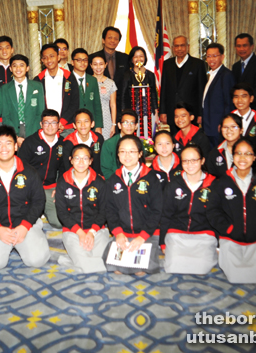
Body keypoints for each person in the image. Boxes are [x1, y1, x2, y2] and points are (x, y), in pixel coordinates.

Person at [0, 125, 50, 272]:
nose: (4, 148)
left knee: (37, 260)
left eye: (8, 143)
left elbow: (39, 201)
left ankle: (33, 231)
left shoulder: (29, 172)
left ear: (15, 147)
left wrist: (25, 226)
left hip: (24, 222)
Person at [206, 138, 256, 284]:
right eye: (238, 153)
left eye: (248, 154)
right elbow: (212, 210)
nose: (243, 158)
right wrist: (228, 228)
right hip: (230, 237)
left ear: (254, 156)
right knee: (234, 278)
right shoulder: (222, 182)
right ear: (233, 156)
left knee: (255, 278)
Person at [103, 135, 163, 275]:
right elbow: (110, 209)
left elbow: (156, 210)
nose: (127, 155)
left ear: (140, 153)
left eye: (132, 151)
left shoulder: (151, 178)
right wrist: (117, 233)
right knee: (115, 268)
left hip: (146, 233)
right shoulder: (114, 179)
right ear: (118, 154)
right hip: (123, 233)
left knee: (141, 270)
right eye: (122, 151)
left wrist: (142, 236)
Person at [161, 144, 217, 274]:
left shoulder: (214, 184)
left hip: (204, 233)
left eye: (194, 160)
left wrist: (218, 241)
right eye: (185, 161)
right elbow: (166, 215)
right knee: (173, 267)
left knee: (201, 268)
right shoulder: (173, 184)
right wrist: (163, 242)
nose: (189, 164)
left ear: (202, 161)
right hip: (176, 233)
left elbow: (218, 215)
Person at [55, 144, 109, 272]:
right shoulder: (62, 182)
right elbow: (62, 213)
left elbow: (104, 210)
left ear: (91, 161)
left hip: (97, 230)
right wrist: (79, 232)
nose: (81, 162)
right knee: (95, 265)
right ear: (71, 160)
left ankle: (72, 260)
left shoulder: (99, 182)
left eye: (85, 158)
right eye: (77, 158)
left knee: (102, 259)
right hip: (72, 231)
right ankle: (80, 260)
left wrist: (91, 232)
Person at [17, 109, 66, 229]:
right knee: (24, 220)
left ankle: (44, 209)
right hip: (31, 187)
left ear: (59, 125)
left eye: (53, 122)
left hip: (50, 187)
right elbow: (19, 167)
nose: (50, 126)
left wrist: (60, 186)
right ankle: (37, 209)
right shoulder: (30, 142)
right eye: (46, 122)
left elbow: (65, 169)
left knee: (58, 223)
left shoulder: (63, 143)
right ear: (41, 124)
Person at [158, 36, 207, 133]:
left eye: (182, 46)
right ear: (173, 48)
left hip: (191, 114)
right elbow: (164, 89)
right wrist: (163, 111)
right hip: (172, 113)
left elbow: (202, 91)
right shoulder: (167, 64)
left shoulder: (198, 64)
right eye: (176, 46)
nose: (179, 49)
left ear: (188, 47)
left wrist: (201, 113)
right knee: (175, 142)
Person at [35, 44, 79, 137]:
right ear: (42, 60)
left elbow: (75, 103)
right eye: (45, 58)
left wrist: (61, 122)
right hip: (46, 128)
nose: (49, 60)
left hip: (66, 128)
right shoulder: (37, 80)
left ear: (58, 57)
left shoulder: (69, 77)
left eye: (52, 56)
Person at [1, 54, 45, 146]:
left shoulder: (37, 86)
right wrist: (15, 136)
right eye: (14, 65)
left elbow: (40, 112)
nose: (18, 69)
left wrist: (34, 134)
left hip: (33, 129)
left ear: (27, 68)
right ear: (10, 69)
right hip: (13, 130)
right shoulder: (5, 88)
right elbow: (6, 115)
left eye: (21, 65)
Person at [87, 26, 129, 116]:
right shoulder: (92, 58)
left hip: (119, 104)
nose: (112, 41)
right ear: (103, 40)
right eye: (110, 37)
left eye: (116, 39)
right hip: (99, 103)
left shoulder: (125, 58)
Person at [201, 43, 235, 148]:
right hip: (208, 126)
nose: (211, 59)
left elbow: (228, 103)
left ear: (222, 57)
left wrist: (224, 124)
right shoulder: (211, 74)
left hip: (218, 127)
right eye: (208, 56)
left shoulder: (226, 75)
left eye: (215, 56)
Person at [121, 46, 158, 138]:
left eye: (141, 56)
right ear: (132, 59)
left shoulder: (150, 75)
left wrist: (156, 111)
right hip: (132, 110)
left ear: (145, 58)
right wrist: (123, 112)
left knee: (149, 135)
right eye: (135, 56)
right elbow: (123, 95)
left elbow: (153, 94)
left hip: (148, 111)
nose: (138, 59)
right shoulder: (127, 75)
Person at [231, 33, 256, 113]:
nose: (241, 49)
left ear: (252, 46)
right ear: (235, 47)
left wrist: (245, 105)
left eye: (245, 45)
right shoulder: (235, 66)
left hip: (255, 110)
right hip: (239, 109)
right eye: (238, 46)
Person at [61, 108, 105, 174]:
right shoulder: (68, 143)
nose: (83, 125)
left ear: (92, 124)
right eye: (79, 122)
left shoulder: (98, 138)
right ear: (74, 125)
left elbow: (102, 162)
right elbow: (67, 168)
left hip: (95, 178)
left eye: (86, 121)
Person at [71, 48, 103, 132]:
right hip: (73, 124)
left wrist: (98, 125)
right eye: (79, 60)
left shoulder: (92, 80)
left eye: (85, 60)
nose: (83, 63)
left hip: (90, 124)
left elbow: (97, 104)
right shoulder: (67, 79)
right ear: (72, 62)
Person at [100, 109, 138, 179]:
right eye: (125, 123)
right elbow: (106, 170)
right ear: (119, 125)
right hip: (115, 182)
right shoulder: (109, 144)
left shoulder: (138, 144)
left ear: (136, 126)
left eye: (132, 123)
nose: (129, 126)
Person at [231, 83, 256, 152]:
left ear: (251, 99)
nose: (239, 100)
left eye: (244, 96)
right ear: (232, 100)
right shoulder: (228, 120)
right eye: (236, 97)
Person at [207, 113, 243, 178]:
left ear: (241, 130)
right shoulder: (215, 152)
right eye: (225, 127)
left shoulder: (250, 150)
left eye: (233, 127)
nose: (229, 130)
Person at [90, 54, 117, 139]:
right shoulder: (87, 81)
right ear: (91, 65)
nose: (98, 67)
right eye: (95, 64)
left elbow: (113, 105)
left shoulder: (111, 83)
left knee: (104, 144)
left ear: (106, 64)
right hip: (90, 118)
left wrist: (113, 124)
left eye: (101, 64)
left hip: (106, 119)